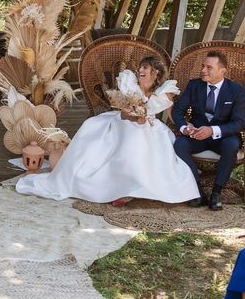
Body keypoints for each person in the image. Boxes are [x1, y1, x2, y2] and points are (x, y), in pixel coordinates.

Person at [16, 56, 200, 204]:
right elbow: (123, 113)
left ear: (156, 72)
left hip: (151, 127)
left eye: (145, 68)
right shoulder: (130, 85)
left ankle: (140, 188)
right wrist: (136, 117)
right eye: (141, 67)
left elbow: (173, 114)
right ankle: (117, 188)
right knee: (109, 131)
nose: (141, 71)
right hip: (124, 122)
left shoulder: (164, 91)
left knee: (150, 141)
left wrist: (184, 127)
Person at [173, 51, 245, 211]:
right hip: (197, 135)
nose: (203, 70)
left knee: (232, 145)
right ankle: (197, 191)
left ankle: (216, 194)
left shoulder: (236, 90)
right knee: (179, 145)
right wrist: (185, 128)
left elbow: (239, 122)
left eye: (209, 67)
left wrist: (213, 130)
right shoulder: (194, 85)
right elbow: (178, 111)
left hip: (223, 137)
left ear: (222, 71)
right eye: (203, 66)